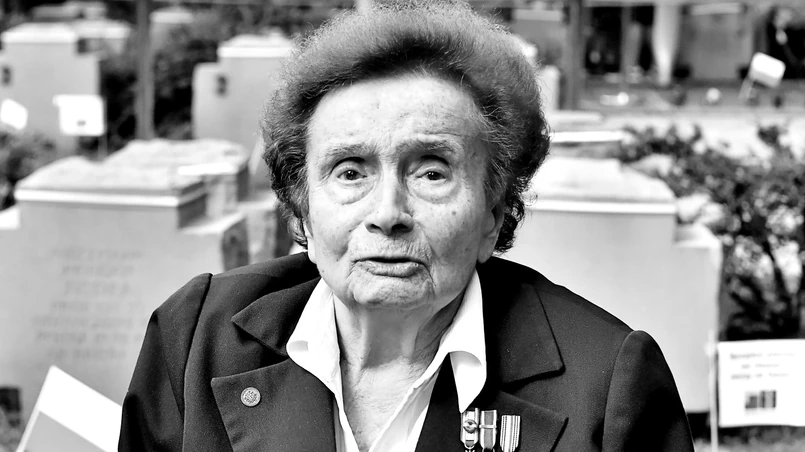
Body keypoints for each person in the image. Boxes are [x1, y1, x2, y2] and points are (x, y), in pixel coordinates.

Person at [119, 1, 694, 451]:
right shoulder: (195, 340)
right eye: (350, 172)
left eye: (432, 172)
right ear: (301, 210)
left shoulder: (608, 387)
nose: (387, 213)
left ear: (494, 214)